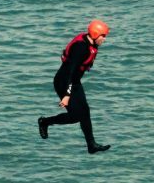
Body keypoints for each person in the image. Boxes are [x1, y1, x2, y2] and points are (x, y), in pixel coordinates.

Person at [38, 19, 111, 154]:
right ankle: (45, 122)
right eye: (103, 36)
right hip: (64, 82)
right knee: (76, 116)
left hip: (74, 81)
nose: (104, 39)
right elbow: (70, 72)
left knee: (85, 112)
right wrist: (67, 95)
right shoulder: (81, 49)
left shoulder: (90, 42)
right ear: (95, 34)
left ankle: (91, 145)